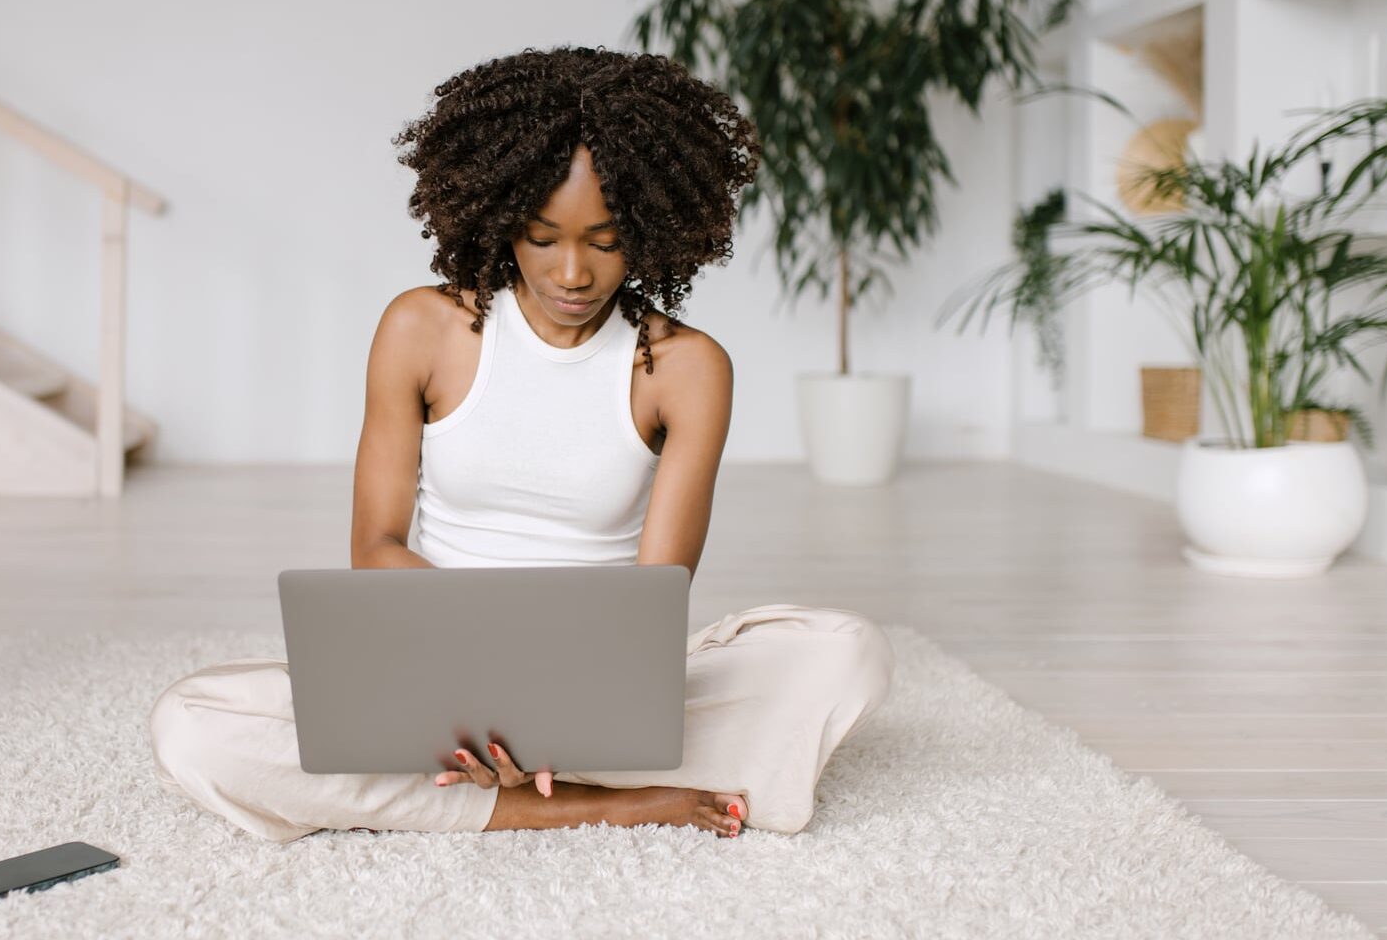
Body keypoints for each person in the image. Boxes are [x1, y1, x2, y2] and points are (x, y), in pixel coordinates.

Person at [148, 46, 895, 845]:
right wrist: (474, 691)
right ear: (500, 219)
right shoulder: (422, 329)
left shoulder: (684, 369)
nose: (571, 272)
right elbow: (376, 547)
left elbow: (656, 593)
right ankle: (588, 802)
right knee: (193, 723)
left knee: (847, 653)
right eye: (542, 237)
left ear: (648, 229)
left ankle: (542, 777)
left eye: (604, 242)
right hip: (431, 672)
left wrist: (557, 709)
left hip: (601, 690)